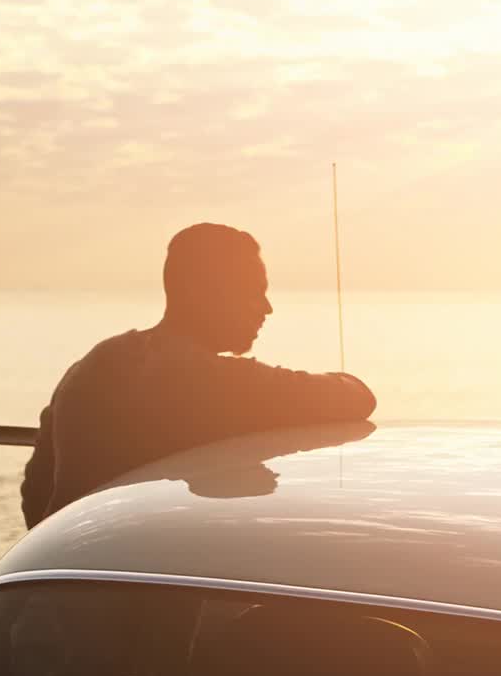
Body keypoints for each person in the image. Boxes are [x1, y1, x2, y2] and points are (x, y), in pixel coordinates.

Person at [19, 223, 376, 527]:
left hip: (58, 577)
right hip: (138, 589)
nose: (266, 308)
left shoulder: (98, 362)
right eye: (254, 292)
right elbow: (356, 397)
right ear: (204, 293)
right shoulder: (214, 382)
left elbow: (36, 492)